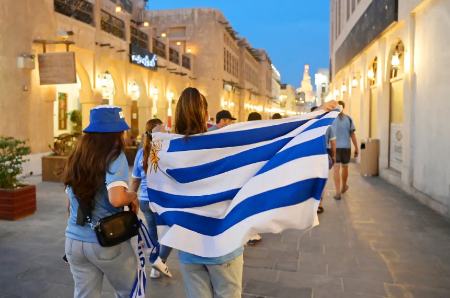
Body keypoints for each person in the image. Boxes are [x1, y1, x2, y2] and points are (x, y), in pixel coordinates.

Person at [63, 106, 139, 298]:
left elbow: (70, 205)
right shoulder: (114, 156)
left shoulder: (77, 156)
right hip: (106, 241)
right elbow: (117, 199)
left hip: (73, 241)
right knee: (130, 291)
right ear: (116, 133)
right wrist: (132, 196)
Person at [130, 118, 173, 279]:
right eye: (162, 130)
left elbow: (135, 179)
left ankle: (156, 265)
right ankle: (160, 261)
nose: (166, 132)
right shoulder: (166, 151)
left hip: (145, 200)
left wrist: (131, 198)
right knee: (171, 232)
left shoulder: (141, 152)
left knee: (154, 235)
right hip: (162, 200)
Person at [311, 106, 336, 213]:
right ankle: (318, 204)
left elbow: (333, 142)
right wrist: (333, 156)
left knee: (314, 179)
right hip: (322, 154)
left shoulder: (308, 125)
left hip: (314, 155)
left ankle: (316, 203)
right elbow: (333, 143)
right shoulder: (328, 126)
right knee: (321, 179)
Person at [332, 100, 358, 200]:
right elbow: (352, 134)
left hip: (335, 148)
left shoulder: (332, 119)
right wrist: (356, 148)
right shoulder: (349, 119)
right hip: (346, 148)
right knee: (345, 168)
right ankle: (344, 186)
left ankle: (338, 192)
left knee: (336, 169)